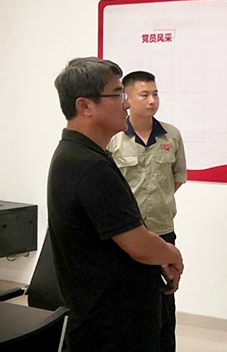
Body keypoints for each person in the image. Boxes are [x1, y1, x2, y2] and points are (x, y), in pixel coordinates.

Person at [48, 57, 184, 352]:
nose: (126, 104)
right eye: (118, 94)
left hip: (114, 316)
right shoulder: (88, 165)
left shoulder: (82, 154)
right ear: (85, 106)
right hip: (112, 327)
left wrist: (159, 252)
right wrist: (172, 254)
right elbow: (139, 245)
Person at [107, 70, 186, 352]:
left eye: (155, 94)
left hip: (162, 231)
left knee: (164, 304)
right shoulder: (114, 138)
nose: (152, 100)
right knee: (128, 305)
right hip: (126, 235)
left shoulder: (171, 135)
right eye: (144, 95)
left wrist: (156, 202)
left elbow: (176, 178)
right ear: (126, 99)